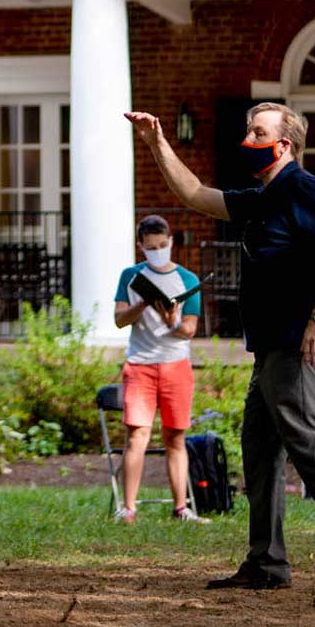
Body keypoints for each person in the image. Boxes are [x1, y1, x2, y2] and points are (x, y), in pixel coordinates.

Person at [131, 104, 315, 593]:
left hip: (295, 343)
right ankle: (266, 563)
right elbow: (196, 194)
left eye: (258, 131)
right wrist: (157, 142)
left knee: (308, 443)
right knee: (260, 451)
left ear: (284, 144)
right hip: (270, 350)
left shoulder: (302, 188)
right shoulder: (264, 196)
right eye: (247, 128)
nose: (248, 137)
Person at [111, 215, 203, 523]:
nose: (158, 251)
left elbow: (189, 329)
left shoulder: (187, 280)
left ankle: (180, 507)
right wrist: (143, 305)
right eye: (151, 247)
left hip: (176, 363)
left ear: (171, 242)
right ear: (141, 247)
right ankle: (128, 508)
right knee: (137, 435)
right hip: (141, 365)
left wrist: (171, 321)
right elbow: (119, 319)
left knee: (175, 437)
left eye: (163, 246)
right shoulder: (130, 276)